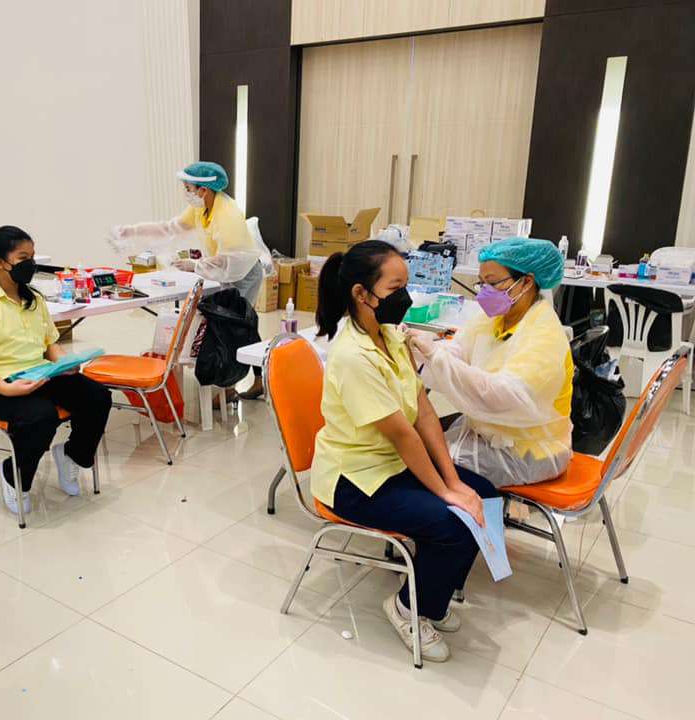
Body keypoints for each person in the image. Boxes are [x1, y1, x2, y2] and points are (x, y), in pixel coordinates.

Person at [311, 240, 498, 663]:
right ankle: (408, 608)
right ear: (362, 294)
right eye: (395, 288)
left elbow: (424, 412)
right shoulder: (352, 356)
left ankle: (434, 594)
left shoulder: (391, 336)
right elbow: (403, 435)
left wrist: (453, 481)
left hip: (392, 465)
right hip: (355, 479)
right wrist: (447, 491)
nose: (406, 298)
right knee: (452, 522)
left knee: (484, 495)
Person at [0, 225, 112, 515]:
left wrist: (63, 364)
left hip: (39, 374)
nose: (31, 264)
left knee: (97, 396)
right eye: (23, 258)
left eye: (33, 256)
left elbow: (50, 343)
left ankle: (71, 455)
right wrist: (7, 389)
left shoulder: (33, 299)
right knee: (40, 416)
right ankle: (14, 475)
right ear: (0, 262)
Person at [407, 238, 572, 488]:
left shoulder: (545, 336)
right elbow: (458, 353)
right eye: (481, 283)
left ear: (527, 282)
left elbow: (501, 397)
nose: (484, 292)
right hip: (491, 432)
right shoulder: (494, 319)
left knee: (425, 470)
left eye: (493, 283)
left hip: (530, 449)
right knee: (417, 448)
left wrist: (435, 357)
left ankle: (480, 509)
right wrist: (420, 353)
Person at [109, 161, 268, 400]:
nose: (186, 193)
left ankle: (230, 387)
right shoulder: (201, 208)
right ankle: (249, 381)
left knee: (234, 325)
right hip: (227, 272)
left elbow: (233, 259)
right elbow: (170, 228)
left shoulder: (227, 214)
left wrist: (197, 265)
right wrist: (132, 231)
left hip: (244, 273)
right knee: (241, 323)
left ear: (203, 190)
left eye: (188, 188)